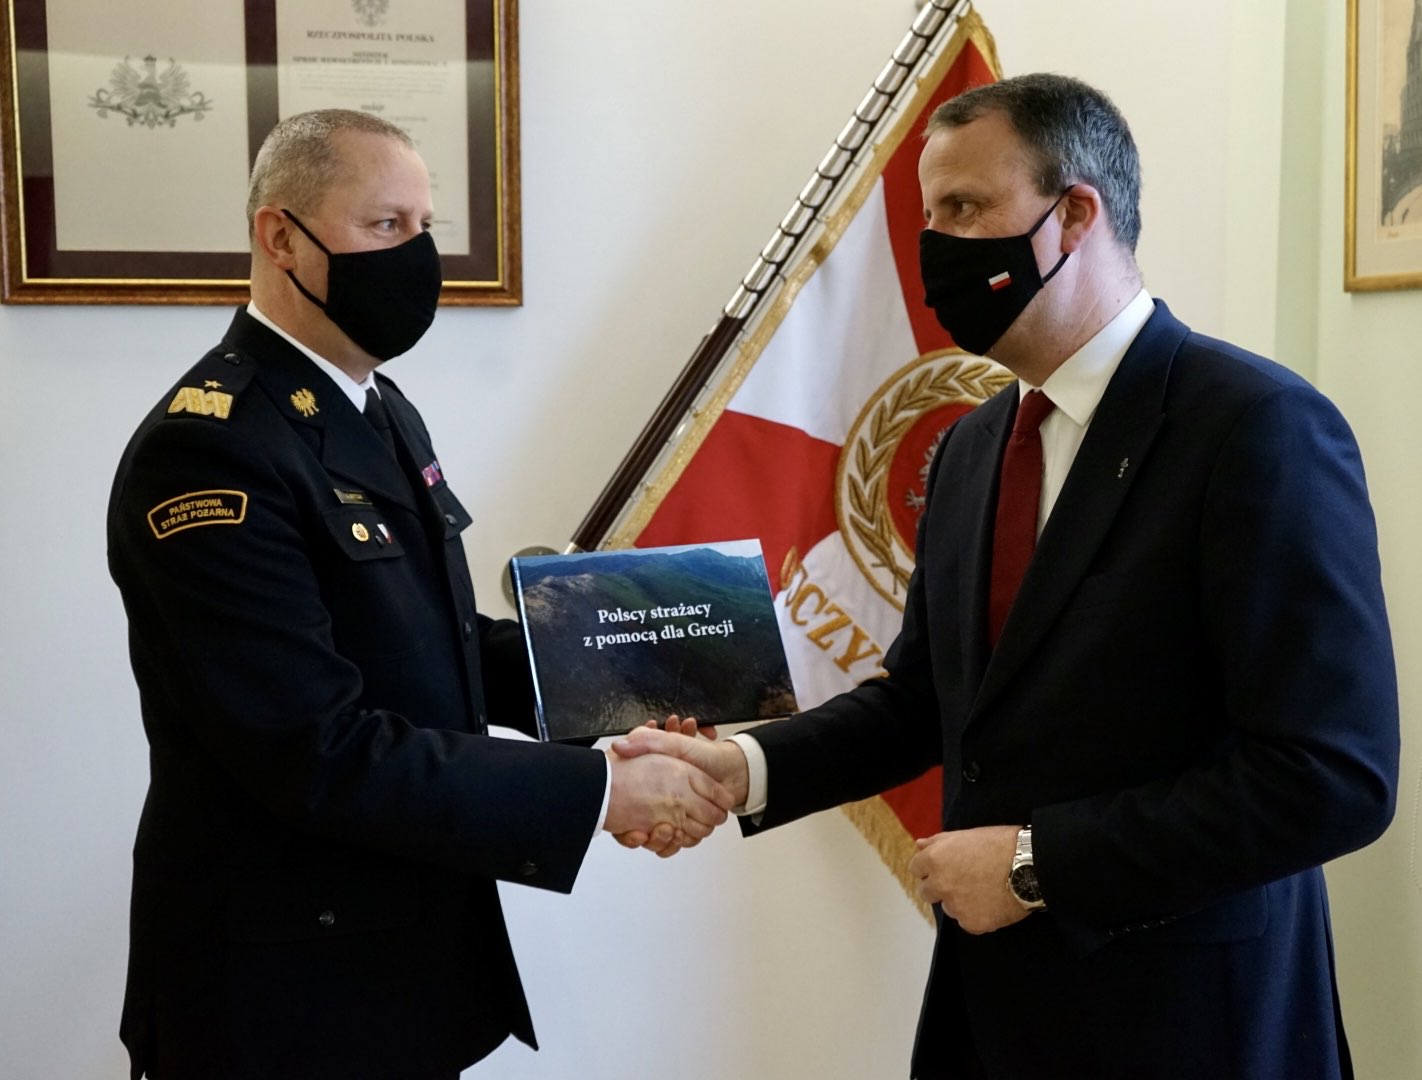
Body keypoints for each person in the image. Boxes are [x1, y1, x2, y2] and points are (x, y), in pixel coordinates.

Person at [616, 74, 1400, 1079]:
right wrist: (747, 766)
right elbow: (923, 700)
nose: (934, 244)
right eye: (928, 213)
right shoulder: (973, 446)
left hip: (1191, 1021)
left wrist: (1037, 866)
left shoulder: (1254, 429)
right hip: (992, 1018)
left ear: (1075, 215)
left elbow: (1331, 777)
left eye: (965, 207)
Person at [106, 108, 731, 1080]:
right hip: (281, 993)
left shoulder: (374, 404)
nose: (419, 256)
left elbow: (435, 642)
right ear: (281, 237)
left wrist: (651, 675)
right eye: (385, 226)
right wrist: (605, 790)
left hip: (402, 955)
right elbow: (315, 748)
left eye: (426, 226)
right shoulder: (210, 449)